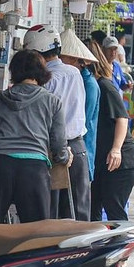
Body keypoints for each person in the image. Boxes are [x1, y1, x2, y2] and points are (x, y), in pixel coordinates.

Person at [0, 50, 70, 223]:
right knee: (36, 232)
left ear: (14, 71)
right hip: (34, 171)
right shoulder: (52, 101)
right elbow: (58, 144)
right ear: (42, 72)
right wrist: (64, 157)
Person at [23, 24, 91, 220]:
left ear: (36, 52)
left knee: (49, 214)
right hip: (78, 147)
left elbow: (42, 120)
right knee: (78, 213)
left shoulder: (45, 80)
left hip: (51, 150)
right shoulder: (74, 73)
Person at [88, 40, 134, 220]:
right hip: (102, 160)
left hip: (120, 161)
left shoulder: (105, 86)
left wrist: (116, 149)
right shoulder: (92, 85)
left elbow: (122, 118)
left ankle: (121, 238)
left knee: (114, 210)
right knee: (93, 209)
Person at [57, 30, 101, 183]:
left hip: (80, 148)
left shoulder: (88, 84)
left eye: (61, 57)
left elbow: (83, 119)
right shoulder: (73, 79)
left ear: (73, 58)